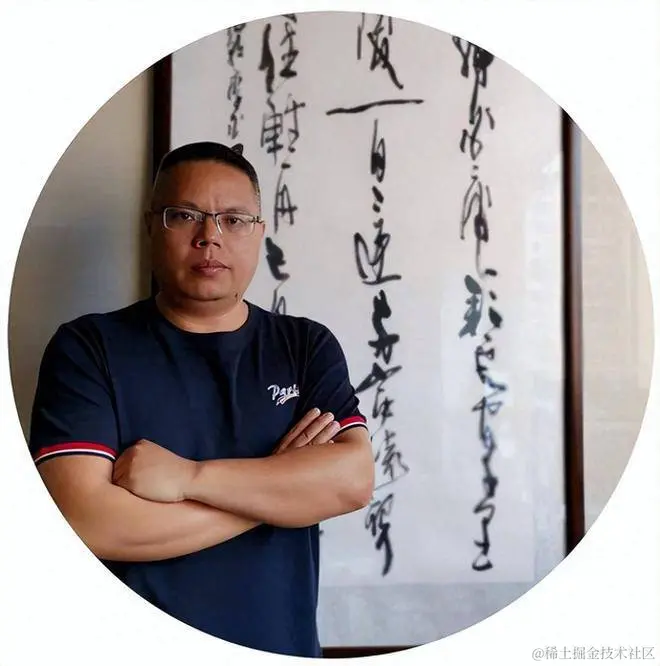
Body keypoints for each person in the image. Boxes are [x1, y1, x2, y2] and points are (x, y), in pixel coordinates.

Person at [28, 141, 374, 658]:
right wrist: (282, 492)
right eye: (184, 215)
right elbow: (88, 523)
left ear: (259, 232)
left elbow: (352, 481)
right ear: (151, 226)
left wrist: (189, 479)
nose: (209, 236)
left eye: (234, 220)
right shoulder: (88, 347)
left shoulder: (305, 346)